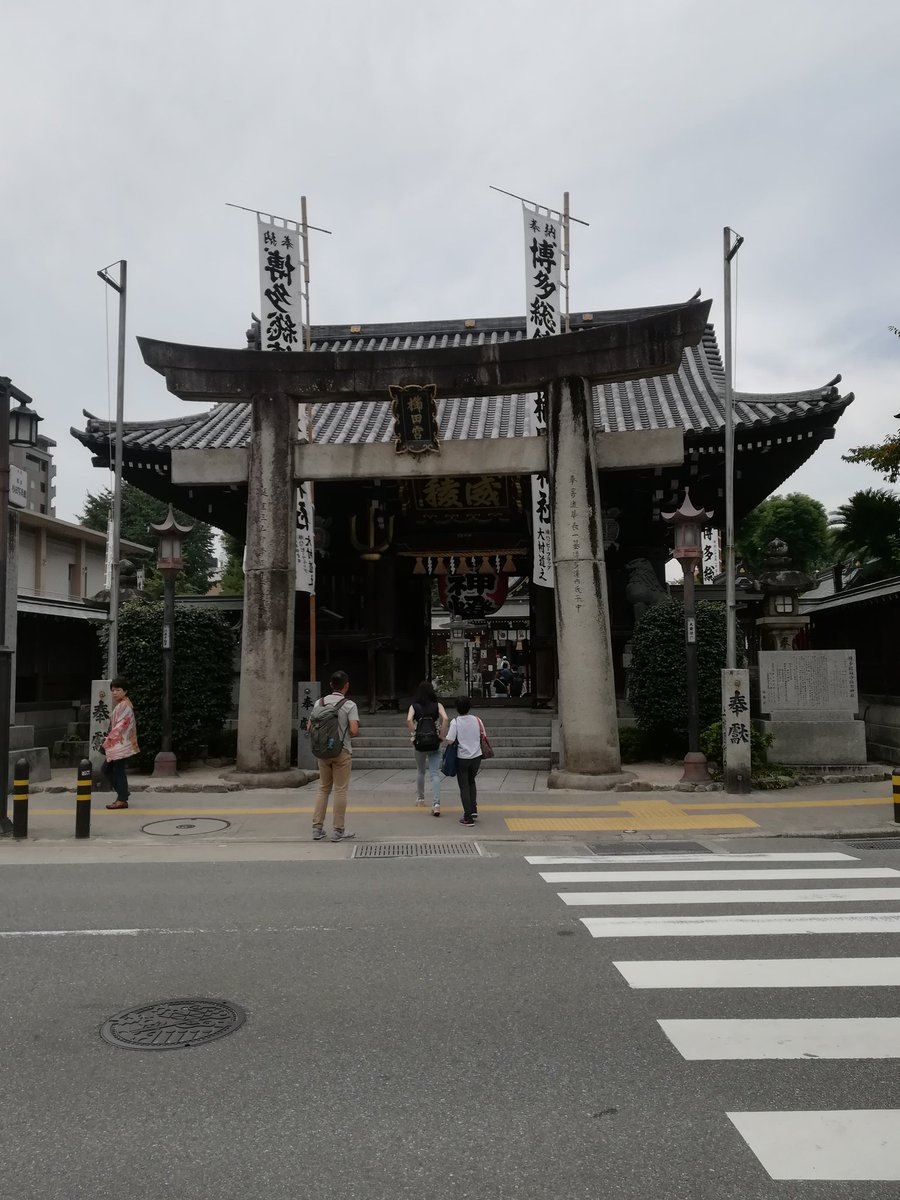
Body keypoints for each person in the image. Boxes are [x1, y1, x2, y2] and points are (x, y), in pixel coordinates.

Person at [311, 670, 360, 842]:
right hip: (342, 751)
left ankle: (317, 828)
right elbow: (354, 730)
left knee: (323, 788)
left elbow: (310, 726)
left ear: (331, 685)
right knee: (340, 790)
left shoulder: (319, 702)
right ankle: (338, 830)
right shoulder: (349, 705)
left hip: (322, 752)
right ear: (346, 686)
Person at [406, 680, 449, 817]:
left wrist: (414, 735)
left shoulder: (414, 706)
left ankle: (420, 799)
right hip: (434, 741)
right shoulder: (437, 705)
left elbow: (408, 720)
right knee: (434, 773)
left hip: (420, 743)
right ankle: (436, 804)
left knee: (420, 771)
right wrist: (441, 735)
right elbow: (446, 718)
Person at [444, 696, 485, 826]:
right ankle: (473, 809)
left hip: (463, 757)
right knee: (472, 781)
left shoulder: (456, 722)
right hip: (476, 756)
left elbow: (450, 740)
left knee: (464, 786)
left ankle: (468, 817)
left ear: (457, 708)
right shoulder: (477, 720)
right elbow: (483, 735)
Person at [102, 677, 139, 810]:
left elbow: (119, 726)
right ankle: (122, 793)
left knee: (114, 770)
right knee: (112, 769)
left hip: (119, 744)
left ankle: (122, 798)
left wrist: (107, 742)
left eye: (118, 690)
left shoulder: (124, 706)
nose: (115, 692)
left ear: (125, 691)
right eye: (113, 690)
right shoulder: (124, 704)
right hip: (119, 743)